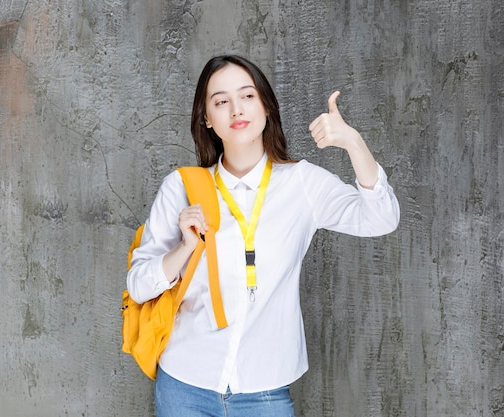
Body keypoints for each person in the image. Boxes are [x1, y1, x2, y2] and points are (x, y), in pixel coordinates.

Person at [127, 55, 400, 417]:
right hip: (184, 386)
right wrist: (184, 248)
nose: (236, 109)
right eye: (221, 102)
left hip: (263, 393)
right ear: (207, 119)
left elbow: (381, 218)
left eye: (248, 96)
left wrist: (353, 142)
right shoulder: (183, 187)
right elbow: (139, 287)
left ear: (266, 106)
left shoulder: (302, 183)